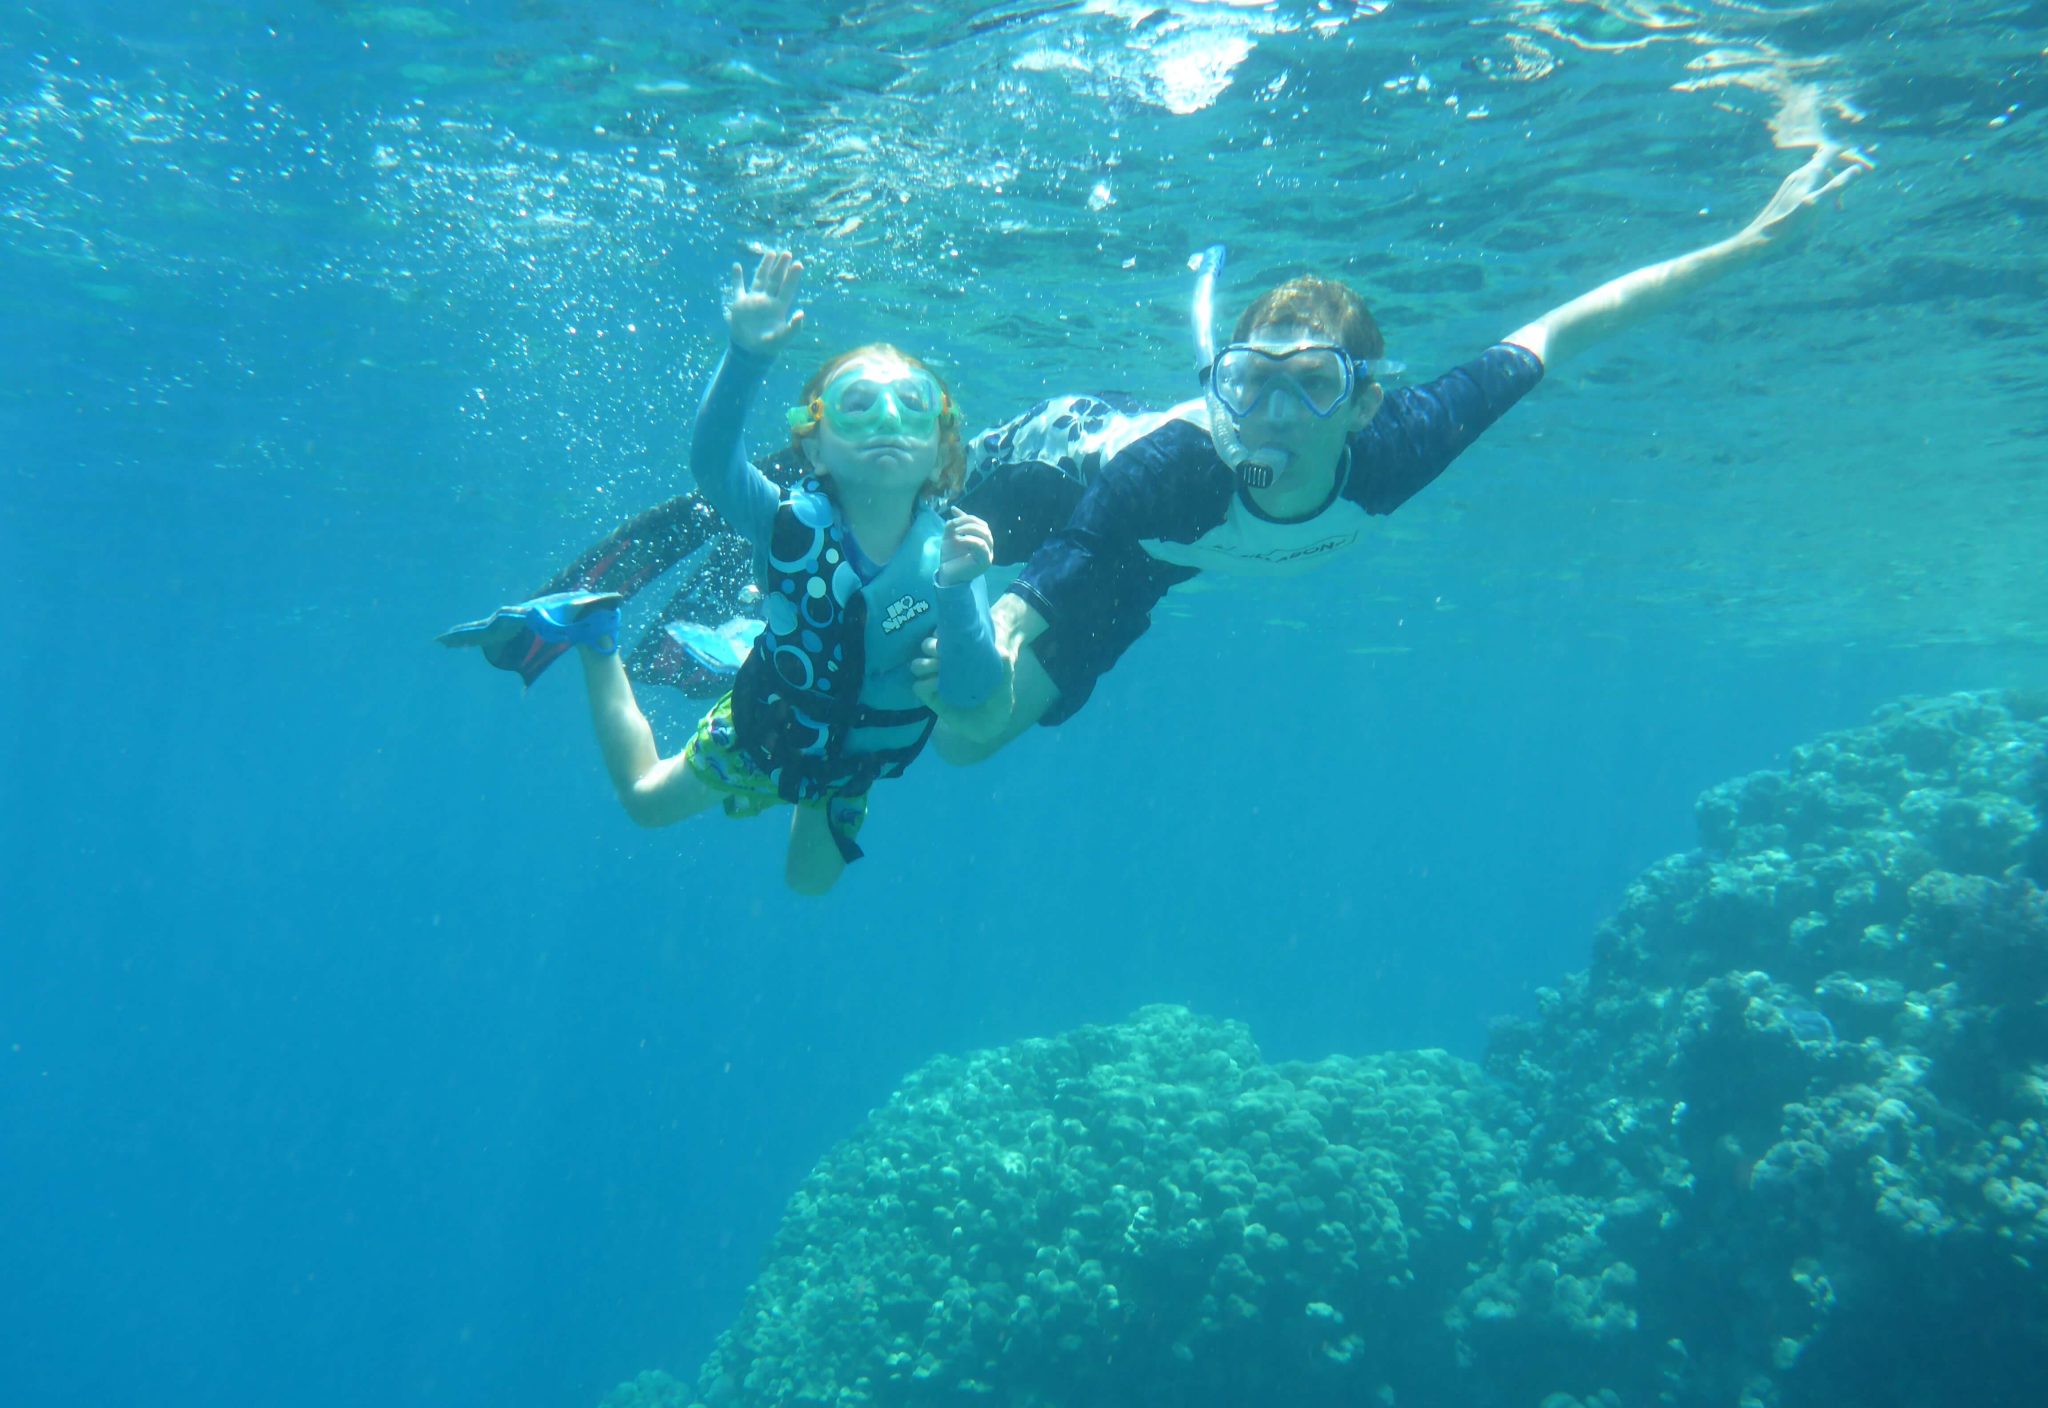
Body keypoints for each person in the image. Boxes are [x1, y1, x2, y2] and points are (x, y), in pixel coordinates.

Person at [910, 149, 1866, 750]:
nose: (1274, 413)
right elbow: (1075, 551)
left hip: (1158, 567)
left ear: (1364, 405)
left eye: (1313, 384)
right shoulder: (1172, 468)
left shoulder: (1402, 447)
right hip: (1059, 465)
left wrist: (1754, 245)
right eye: (1250, 381)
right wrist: (1004, 625)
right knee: (898, 523)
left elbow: (1561, 330)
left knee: (968, 737)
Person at [442, 251, 1005, 894]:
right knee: (646, 801)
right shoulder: (783, 523)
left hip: (852, 762)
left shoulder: (954, 553)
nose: (888, 421)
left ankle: (807, 771)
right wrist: (746, 355)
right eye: (858, 405)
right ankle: (598, 637)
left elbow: (968, 692)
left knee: (809, 883)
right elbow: (713, 466)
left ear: (942, 444)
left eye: (913, 406)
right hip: (761, 729)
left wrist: (961, 589)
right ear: (814, 443)